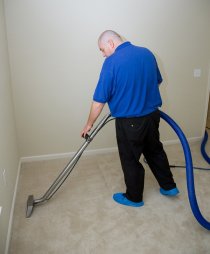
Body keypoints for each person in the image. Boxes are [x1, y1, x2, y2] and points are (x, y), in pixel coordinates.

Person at [81, 30, 179, 208]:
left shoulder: (111, 62)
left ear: (111, 43)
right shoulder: (147, 53)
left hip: (130, 122)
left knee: (130, 159)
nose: (103, 54)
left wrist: (89, 124)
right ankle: (169, 186)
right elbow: (156, 81)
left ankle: (134, 198)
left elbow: (98, 101)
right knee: (155, 151)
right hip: (152, 117)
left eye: (102, 49)